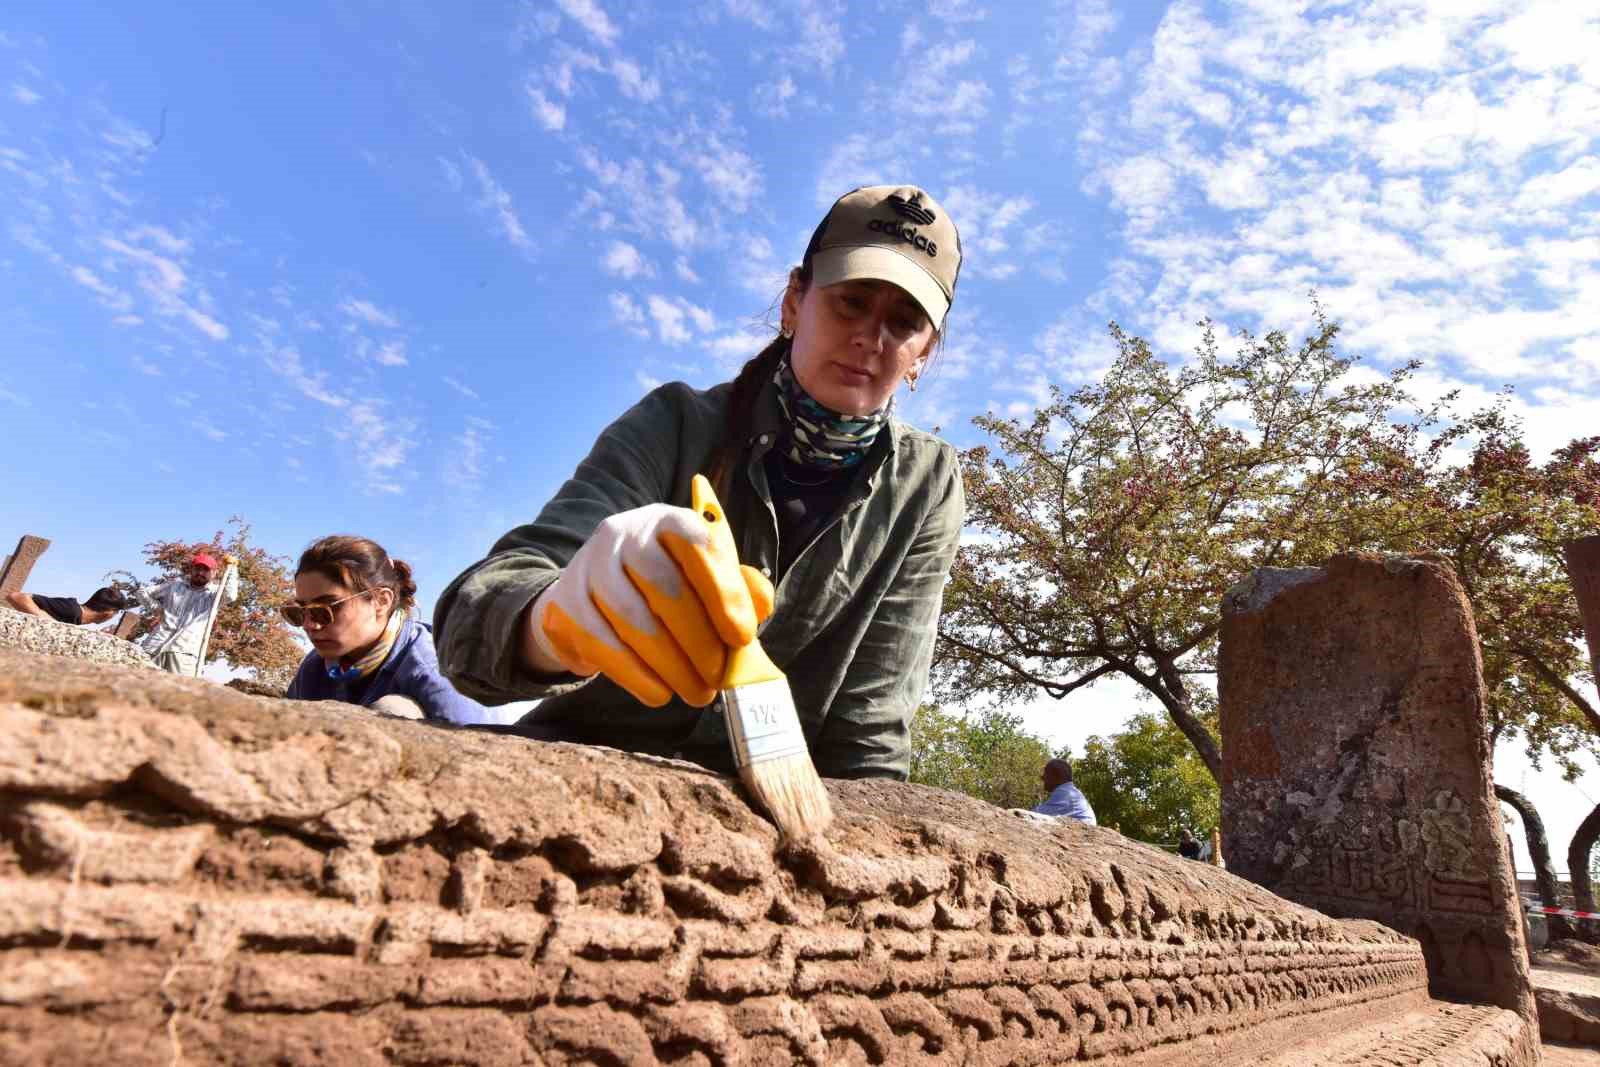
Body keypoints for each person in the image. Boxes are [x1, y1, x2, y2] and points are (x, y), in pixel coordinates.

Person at [434, 184, 965, 780]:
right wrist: (555, 619)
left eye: (903, 321)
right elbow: (467, 629)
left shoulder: (929, 486)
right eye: (850, 302)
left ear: (924, 353)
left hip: (775, 810)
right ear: (795, 299)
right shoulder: (676, 422)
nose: (872, 337)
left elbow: (871, 728)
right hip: (585, 772)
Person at [283, 535, 486, 724]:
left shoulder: (436, 672)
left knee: (391, 710)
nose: (310, 625)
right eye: (300, 612)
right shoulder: (316, 666)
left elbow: (482, 755)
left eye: (327, 609)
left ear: (381, 601)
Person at [135, 550, 239, 674]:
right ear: (191, 570)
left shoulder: (215, 594)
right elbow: (142, 593)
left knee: (180, 691)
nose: (200, 573)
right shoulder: (174, 586)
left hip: (184, 651)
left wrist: (232, 569)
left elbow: (231, 596)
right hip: (155, 645)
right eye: (197, 569)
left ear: (214, 573)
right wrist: (158, 609)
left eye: (205, 570)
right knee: (139, 683)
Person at [5, 586, 130, 626]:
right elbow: (16, 596)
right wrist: (50, 624)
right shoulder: (71, 609)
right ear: (109, 612)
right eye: (116, 613)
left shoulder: (75, 617)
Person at [1034, 758, 1097, 824]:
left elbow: (1036, 814)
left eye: (1046, 773)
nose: (1042, 777)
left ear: (1057, 776)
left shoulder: (1065, 793)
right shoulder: (1071, 791)